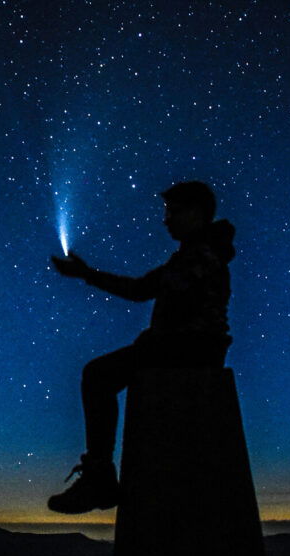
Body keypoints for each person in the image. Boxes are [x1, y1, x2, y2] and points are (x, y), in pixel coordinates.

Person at [47, 181, 235, 514]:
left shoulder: (203, 255)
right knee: (100, 373)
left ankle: (99, 479)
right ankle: (99, 476)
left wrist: (86, 275)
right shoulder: (198, 253)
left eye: (173, 212)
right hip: (185, 349)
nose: (166, 221)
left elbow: (150, 290)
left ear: (197, 214)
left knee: (98, 375)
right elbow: (142, 289)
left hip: (190, 352)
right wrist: (86, 275)